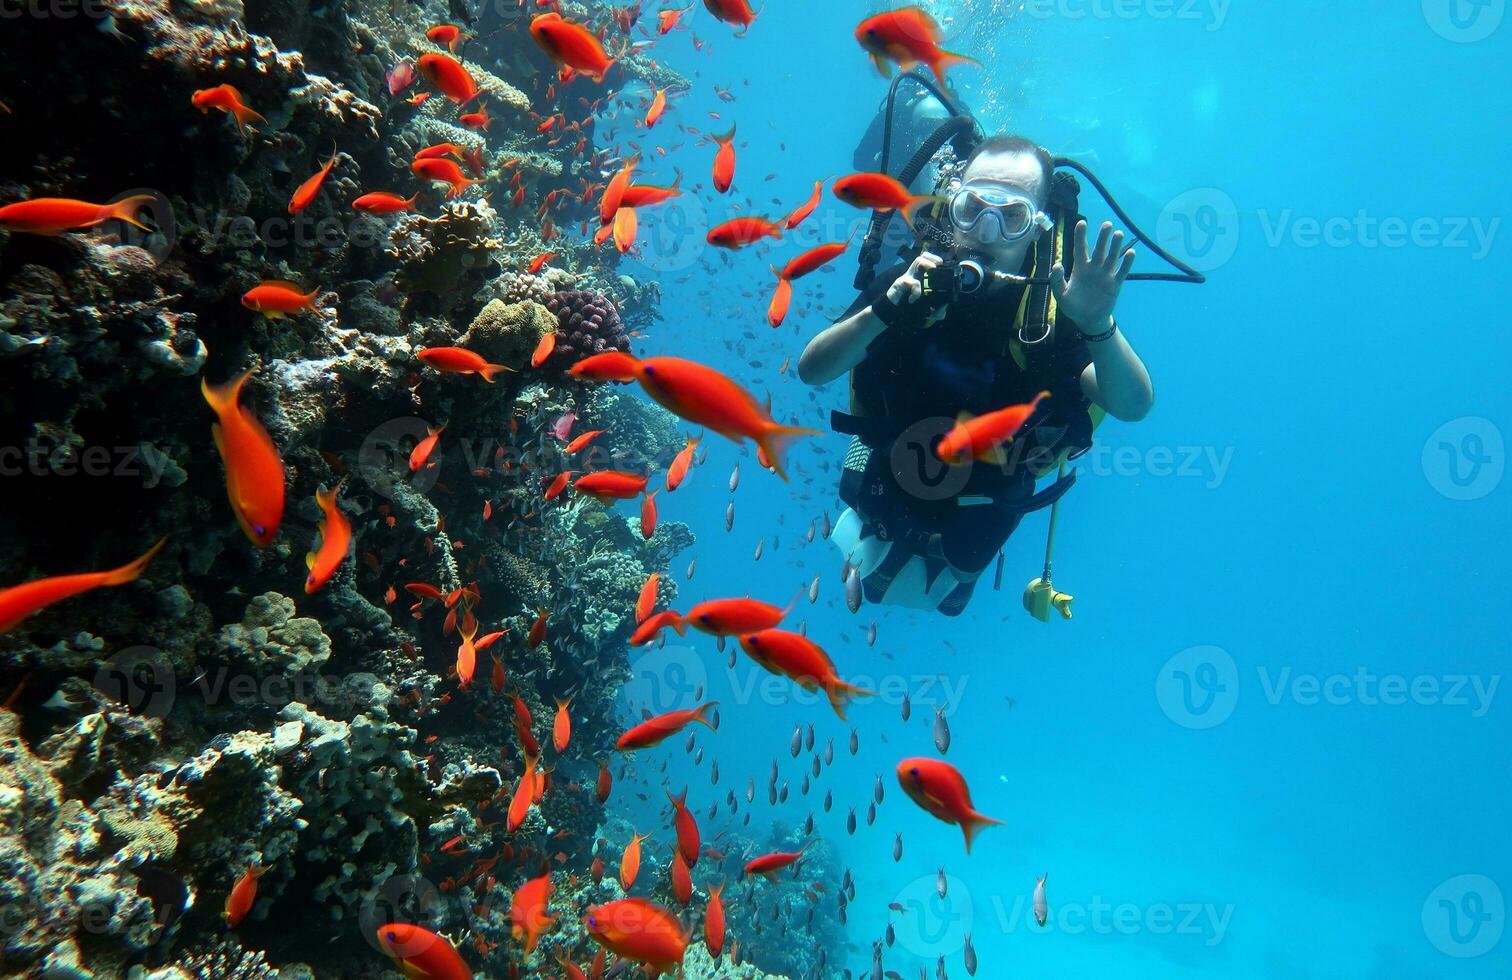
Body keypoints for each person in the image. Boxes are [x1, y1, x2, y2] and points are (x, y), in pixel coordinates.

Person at [798, 135, 1153, 615]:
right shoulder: (908, 285)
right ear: (951, 204)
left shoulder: (1053, 311)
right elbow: (812, 370)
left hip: (991, 492)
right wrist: (882, 311)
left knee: (963, 566)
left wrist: (1097, 326)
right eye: (973, 208)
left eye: (1012, 218)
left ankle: (959, 579)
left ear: (1038, 228)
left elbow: (1132, 405)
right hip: (890, 450)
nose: (987, 231)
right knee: (864, 513)